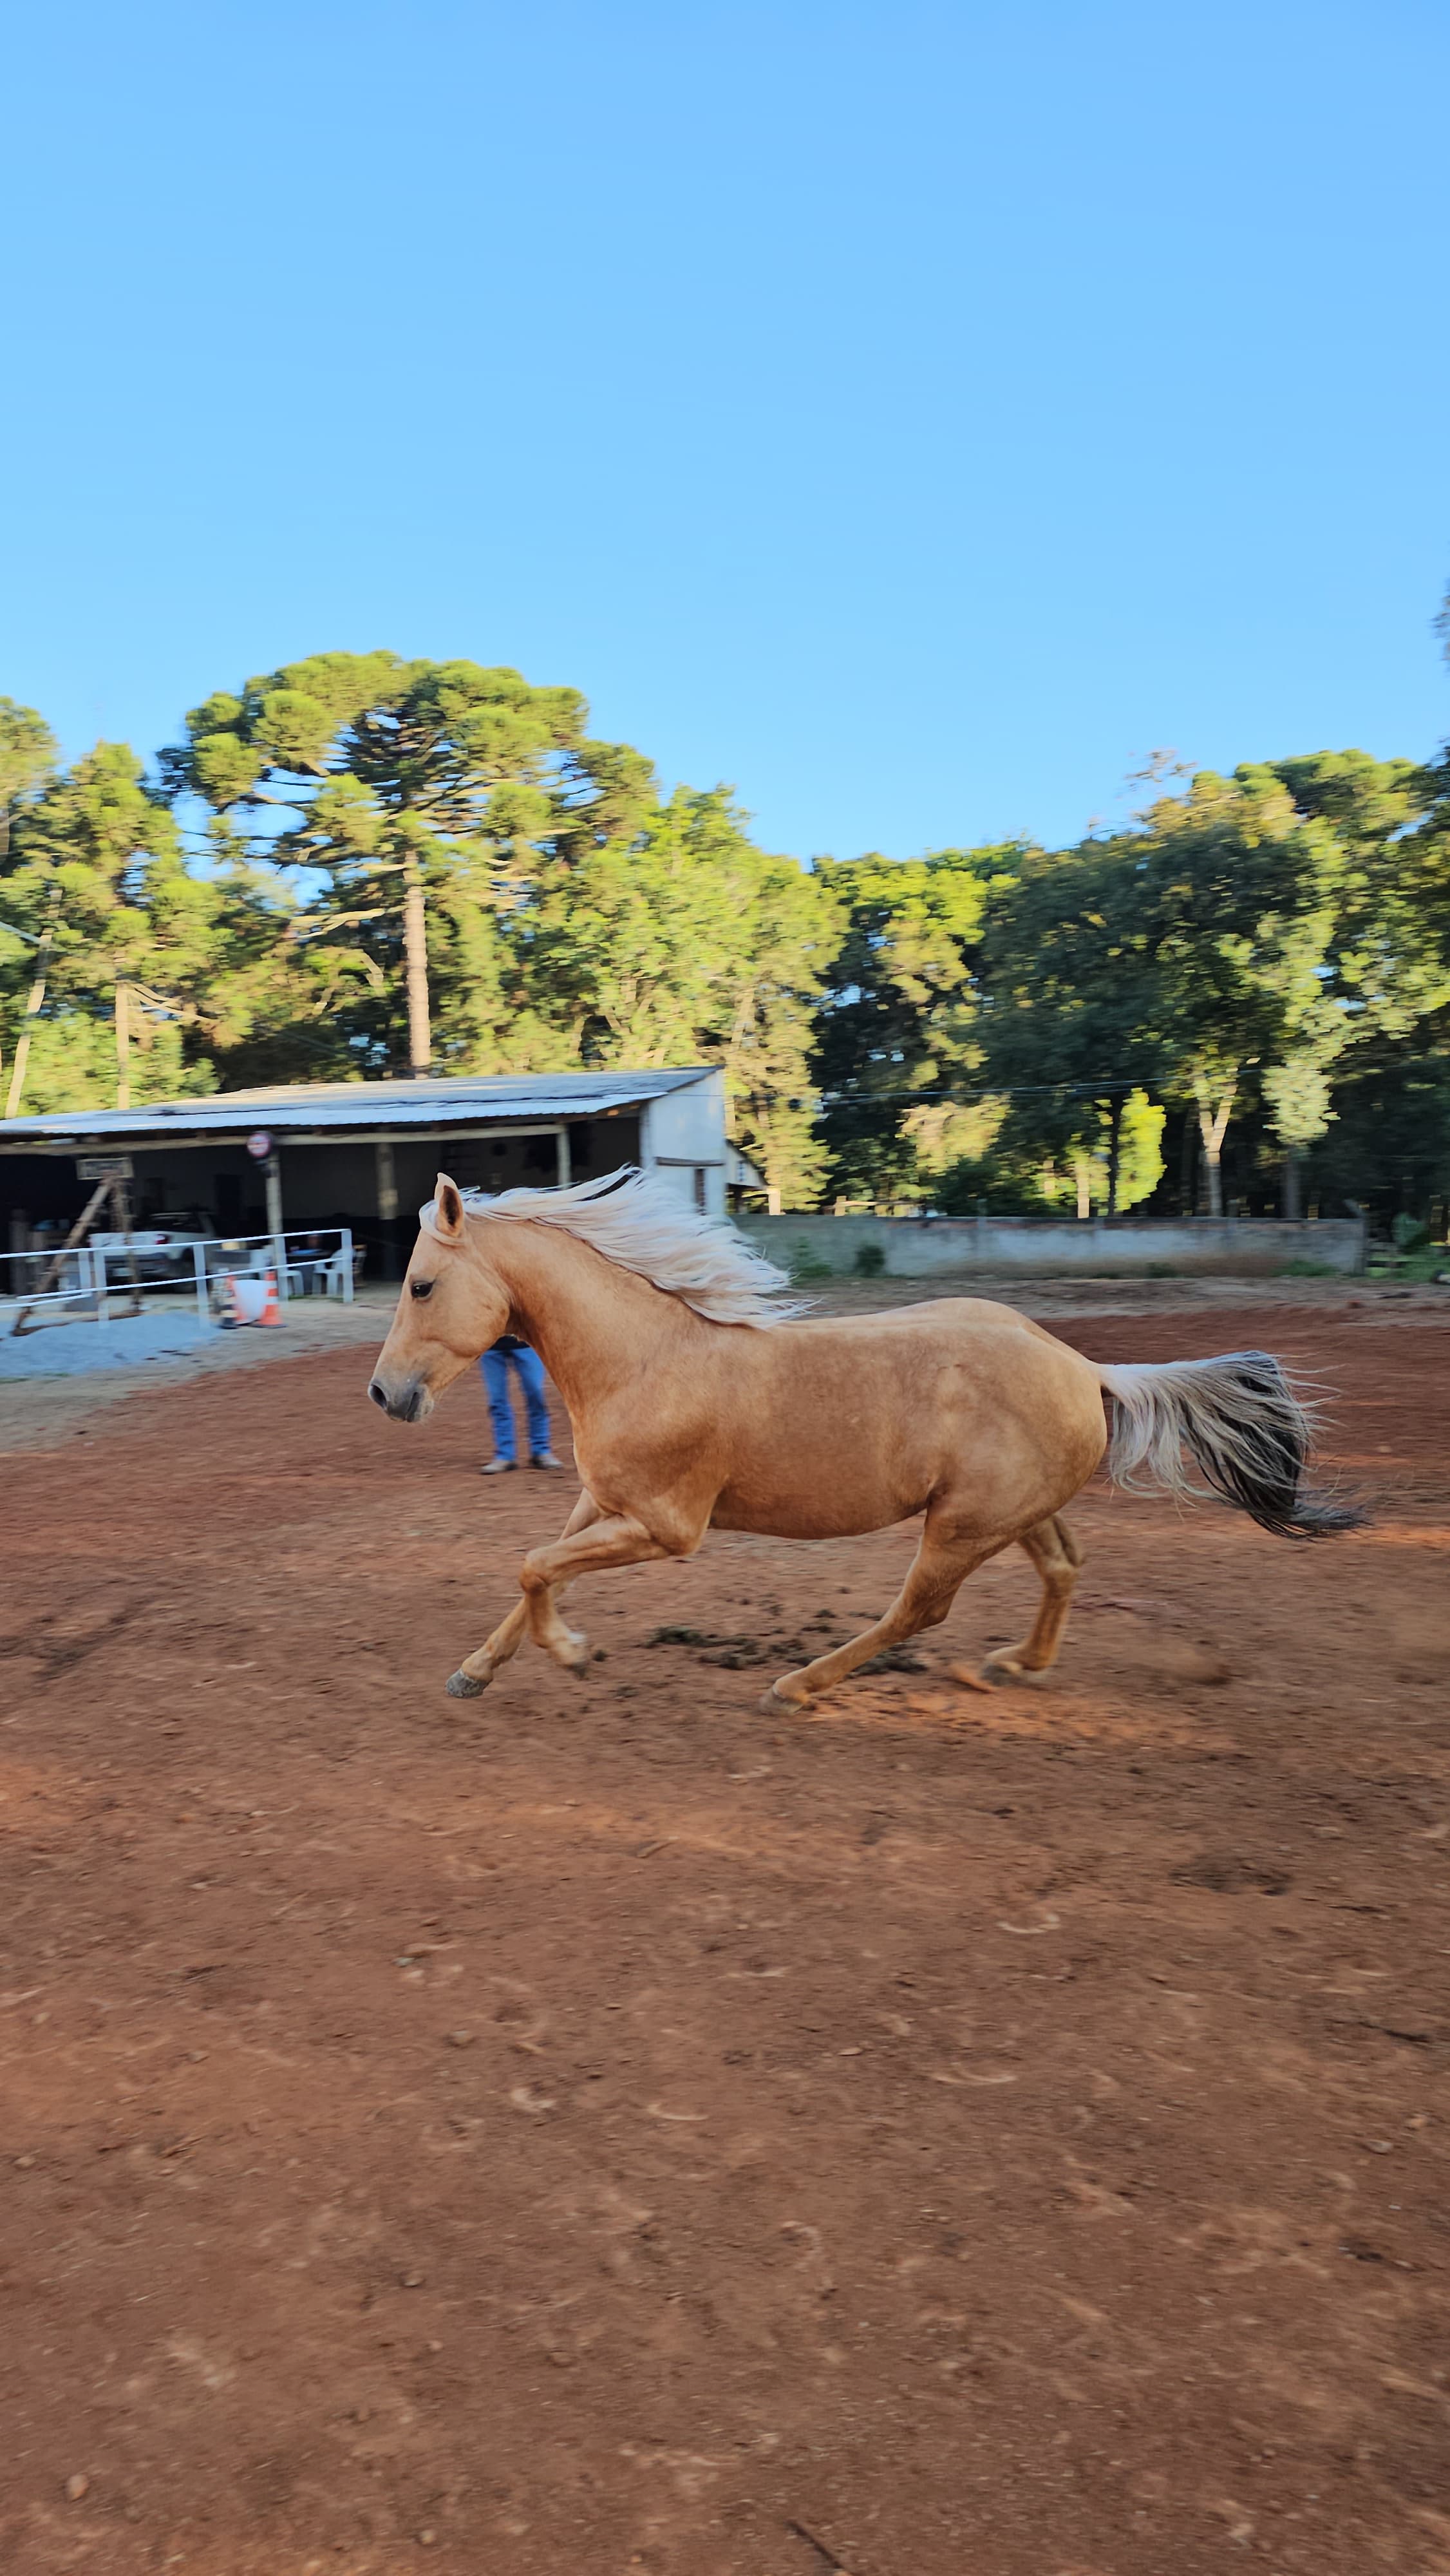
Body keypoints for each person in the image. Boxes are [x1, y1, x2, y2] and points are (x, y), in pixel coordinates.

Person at [480, 1334, 561, 1473]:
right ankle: (505, 1455)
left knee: (536, 1395)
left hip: (526, 1343)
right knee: (497, 1400)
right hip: (491, 1345)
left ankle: (541, 1451)